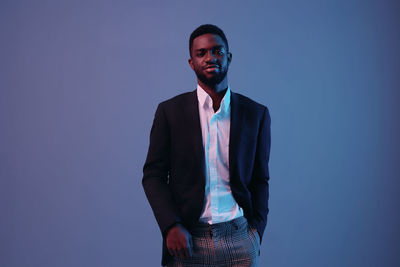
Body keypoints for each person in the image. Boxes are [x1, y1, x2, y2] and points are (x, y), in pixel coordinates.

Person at [142, 24, 271, 267]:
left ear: (229, 57)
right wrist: (171, 225)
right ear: (191, 63)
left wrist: (256, 234)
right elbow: (153, 176)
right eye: (201, 53)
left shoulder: (256, 114)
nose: (210, 58)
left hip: (240, 239)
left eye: (217, 51)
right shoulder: (170, 112)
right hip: (187, 240)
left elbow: (260, 178)